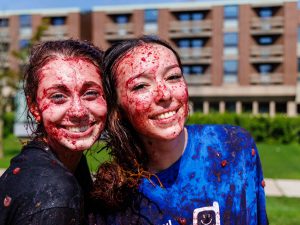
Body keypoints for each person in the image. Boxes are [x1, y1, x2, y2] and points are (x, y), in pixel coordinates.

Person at [92, 36, 268, 225]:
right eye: (141, 85)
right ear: (117, 110)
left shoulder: (233, 146)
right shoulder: (114, 198)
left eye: (173, 76)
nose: (165, 94)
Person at [0, 39, 107, 225]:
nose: (78, 111)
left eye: (90, 93)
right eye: (58, 96)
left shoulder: (66, 163)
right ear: (34, 107)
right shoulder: (53, 196)